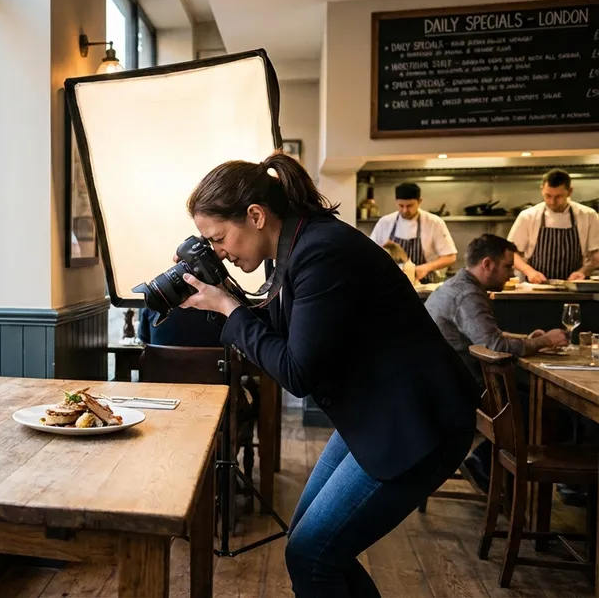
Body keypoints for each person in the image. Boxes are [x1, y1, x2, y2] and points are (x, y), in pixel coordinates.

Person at [177, 151, 477, 597]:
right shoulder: (294, 248)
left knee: (312, 553)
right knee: (310, 545)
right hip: (375, 412)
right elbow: (285, 336)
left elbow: (298, 372)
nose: (217, 252)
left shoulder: (321, 252)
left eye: (219, 238)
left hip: (417, 422)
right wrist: (227, 300)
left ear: (255, 216)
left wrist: (228, 308)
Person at [424, 234, 568, 491]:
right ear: (488, 264)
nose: (511, 274)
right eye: (508, 266)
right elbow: (496, 347)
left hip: (444, 385)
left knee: (536, 404)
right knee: (550, 413)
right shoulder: (467, 295)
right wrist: (542, 341)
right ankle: (487, 467)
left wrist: (527, 338)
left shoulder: (454, 286)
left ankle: (489, 467)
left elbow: (487, 336)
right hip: (465, 392)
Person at [507, 169, 599, 283]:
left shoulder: (588, 216)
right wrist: (529, 271)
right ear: (542, 190)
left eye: (558, 197)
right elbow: (511, 253)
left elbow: (596, 254)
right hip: (535, 287)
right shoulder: (528, 216)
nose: (552, 201)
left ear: (570, 191)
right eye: (548, 196)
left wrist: (583, 271)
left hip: (575, 287)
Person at [369, 182, 457, 283]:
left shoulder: (434, 222)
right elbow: (370, 253)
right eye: (401, 205)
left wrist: (426, 267)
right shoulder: (385, 222)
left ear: (419, 201)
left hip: (425, 283)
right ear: (396, 202)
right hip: (391, 283)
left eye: (410, 206)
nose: (405, 210)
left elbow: (450, 257)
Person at [138, 306, 224, 346]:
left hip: (161, 379)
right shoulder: (226, 312)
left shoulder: (153, 308)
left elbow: (145, 341)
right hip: (217, 380)